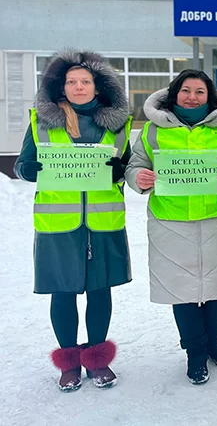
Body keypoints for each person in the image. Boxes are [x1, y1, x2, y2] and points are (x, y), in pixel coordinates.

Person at [13, 50, 132, 392]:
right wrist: (28, 169)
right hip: (59, 225)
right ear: (61, 87)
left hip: (103, 221)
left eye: (86, 81)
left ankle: (98, 359)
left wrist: (121, 172)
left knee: (100, 290)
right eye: (72, 82)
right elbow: (23, 164)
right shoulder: (41, 120)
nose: (79, 87)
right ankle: (68, 363)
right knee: (62, 292)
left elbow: (127, 165)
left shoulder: (118, 124)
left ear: (98, 87)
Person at [125, 69, 217, 385]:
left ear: (209, 96)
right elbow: (135, 164)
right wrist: (138, 178)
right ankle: (195, 351)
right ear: (174, 93)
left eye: (199, 91)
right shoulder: (153, 130)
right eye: (185, 90)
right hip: (171, 221)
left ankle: (212, 340)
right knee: (181, 290)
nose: (192, 97)